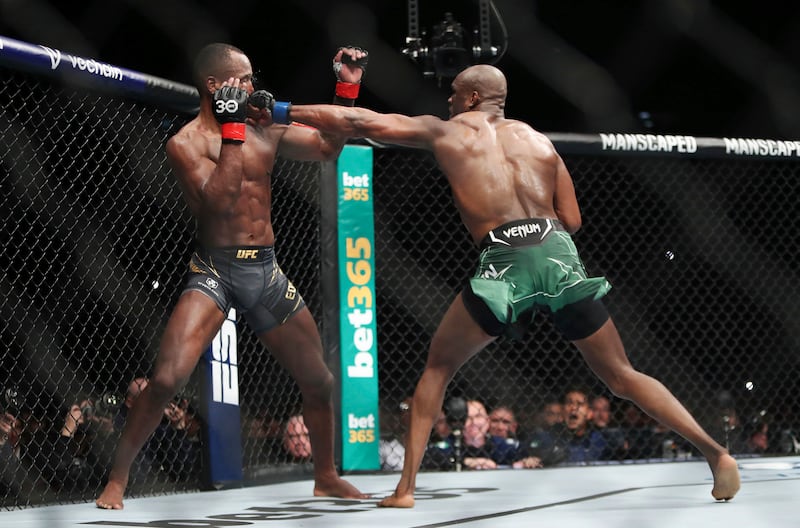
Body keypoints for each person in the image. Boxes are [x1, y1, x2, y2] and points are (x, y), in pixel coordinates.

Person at [285, 63, 740, 506]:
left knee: (438, 369)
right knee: (622, 374)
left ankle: (405, 490)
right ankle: (715, 452)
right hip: (558, 253)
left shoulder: (448, 131)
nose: (448, 100)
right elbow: (574, 220)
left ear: (474, 98)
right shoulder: (540, 141)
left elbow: (357, 120)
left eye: (455, 92)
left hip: (503, 259)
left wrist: (280, 109)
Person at [94, 42, 369, 509]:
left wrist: (347, 86)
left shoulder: (266, 127)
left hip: (265, 269)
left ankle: (324, 476)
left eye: (251, 77)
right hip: (215, 271)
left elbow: (327, 147)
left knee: (319, 381)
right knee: (165, 380)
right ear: (214, 85)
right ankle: (118, 478)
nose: (251, 86)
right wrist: (234, 127)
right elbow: (218, 202)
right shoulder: (185, 143)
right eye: (242, 79)